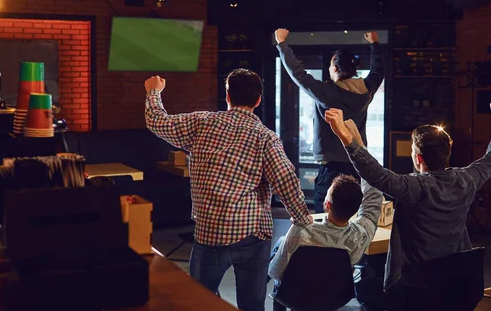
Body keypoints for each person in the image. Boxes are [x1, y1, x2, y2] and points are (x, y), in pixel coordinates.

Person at [144, 69, 312, 311]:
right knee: (252, 305)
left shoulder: (201, 123)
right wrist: (302, 219)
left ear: (228, 96)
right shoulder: (265, 138)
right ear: (258, 100)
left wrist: (154, 92)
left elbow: (156, 122)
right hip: (252, 235)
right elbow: (285, 181)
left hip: (209, 233)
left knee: (199, 301)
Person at [324, 103, 491, 310]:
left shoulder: (414, 187)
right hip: (459, 284)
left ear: (418, 158)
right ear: (447, 152)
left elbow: (374, 173)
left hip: (419, 291)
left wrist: (344, 136)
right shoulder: (467, 179)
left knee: (364, 289)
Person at [274, 29, 385, 212]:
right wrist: (374, 44)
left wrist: (281, 43)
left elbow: (298, 73)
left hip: (330, 167)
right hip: (358, 164)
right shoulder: (366, 90)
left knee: (325, 216)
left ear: (334, 69)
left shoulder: (326, 92)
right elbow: (378, 70)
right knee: (352, 215)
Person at [269, 133, 383, 282]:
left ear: (327, 204)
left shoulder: (302, 230)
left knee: (280, 244)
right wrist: (361, 148)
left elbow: (275, 272)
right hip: (336, 296)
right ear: (356, 208)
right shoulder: (360, 235)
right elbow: (372, 201)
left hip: (297, 297)